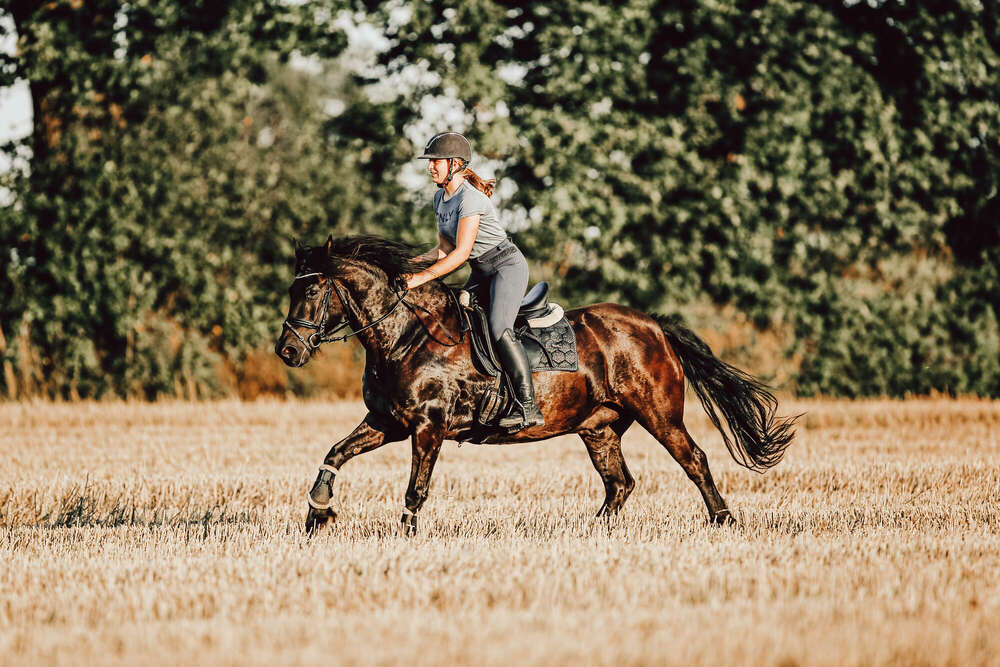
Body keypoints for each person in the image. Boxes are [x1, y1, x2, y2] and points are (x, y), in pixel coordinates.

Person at [404, 131, 544, 431]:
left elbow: (459, 254)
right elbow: (443, 248)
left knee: (498, 327)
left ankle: (528, 406)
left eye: (436, 162)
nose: (431, 167)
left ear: (454, 164)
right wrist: (406, 268)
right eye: (430, 162)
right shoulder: (440, 197)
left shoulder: (471, 198)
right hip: (481, 271)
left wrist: (421, 278)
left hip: (506, 266)